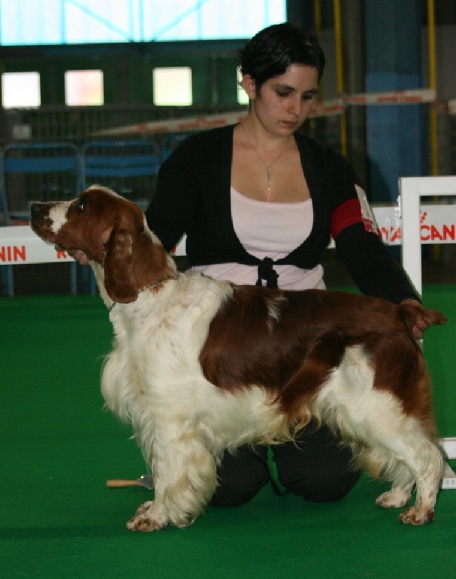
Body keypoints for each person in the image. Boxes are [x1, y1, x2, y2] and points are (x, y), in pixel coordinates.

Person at [73, 22, 428, 507]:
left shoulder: (331, 169)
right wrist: (98, 247)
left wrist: (402, 301)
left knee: (325, 481)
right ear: (249, 83)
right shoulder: (196, 159)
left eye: (307, 96)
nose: (295, 109)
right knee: (229, 487)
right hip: (221, 350)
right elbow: (151, 242)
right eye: (283, 93)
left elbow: (363, 249)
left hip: (305, 344)